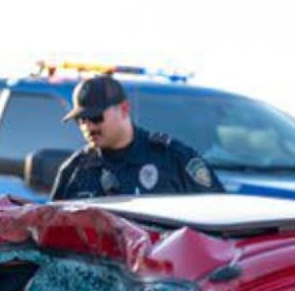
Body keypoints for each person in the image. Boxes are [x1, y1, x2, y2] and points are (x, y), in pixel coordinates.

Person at [49, 73, 223, 200]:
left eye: (96, 117)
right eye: (81, 120)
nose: (88, 126)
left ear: (124, 109)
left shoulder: (174, 159)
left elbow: (219, 217)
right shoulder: (74, 171)